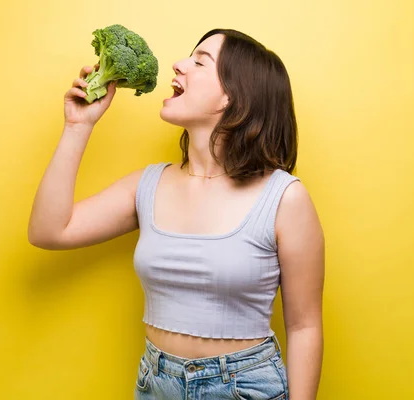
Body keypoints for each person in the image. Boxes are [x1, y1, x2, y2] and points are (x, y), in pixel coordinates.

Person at [28, 28, 324, 400]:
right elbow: (49, 232)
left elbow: (304, 327)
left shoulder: (284, 198)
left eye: (200, 61)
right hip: (156, 383)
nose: (178, 65)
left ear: (235, 95)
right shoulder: (147, 185)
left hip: (245, 386)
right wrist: (77, 126)